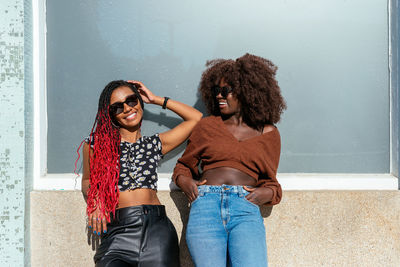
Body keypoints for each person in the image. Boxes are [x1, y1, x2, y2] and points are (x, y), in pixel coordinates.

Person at [173, 54, 286, 267]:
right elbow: (183, 166)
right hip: (205, 207)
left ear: (246, 91)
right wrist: (186, 183)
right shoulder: (207, 126)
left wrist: (265, 194)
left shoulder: (268, 133)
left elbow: (271, 182)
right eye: (216, 91)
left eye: (226, 91)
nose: (219, 96)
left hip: (245, 208)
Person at [80, 80, 202, 267]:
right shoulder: (97, 145)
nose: (127, 109)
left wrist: (155, 99)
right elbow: (88, 180)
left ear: (139, 101)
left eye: (131, 100)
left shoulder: (154, 144)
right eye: (117, 107)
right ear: (110, 114)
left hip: (156, 232)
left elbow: (195, 118)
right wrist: (96, 201)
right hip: (116, 233)